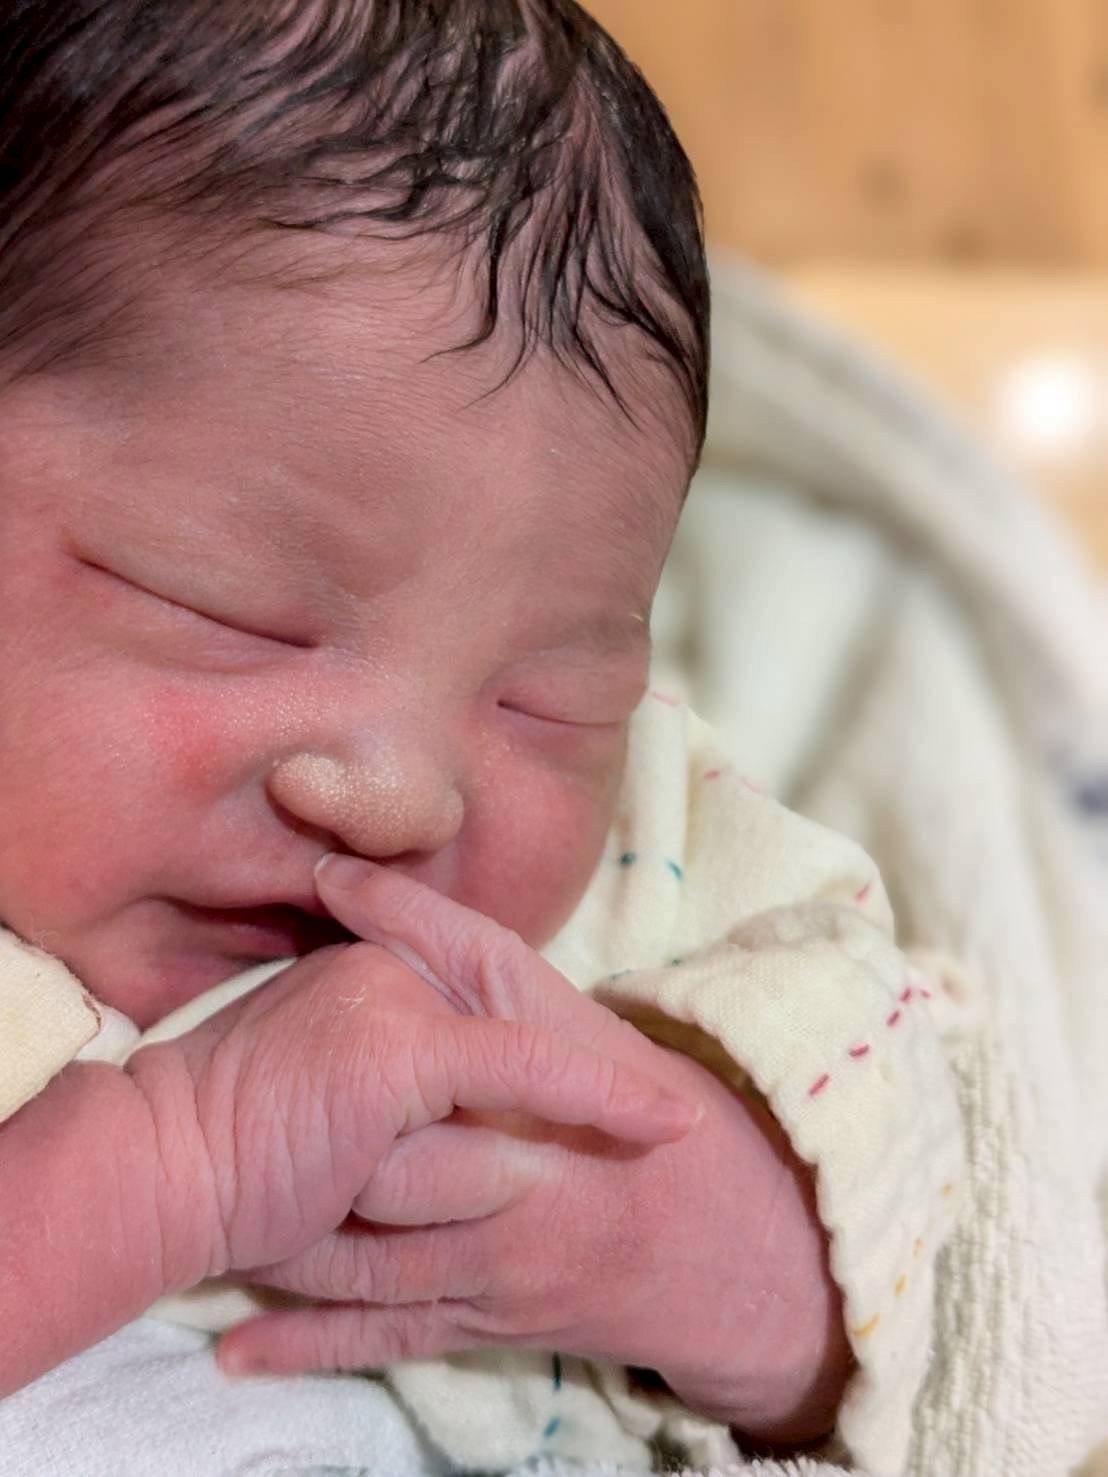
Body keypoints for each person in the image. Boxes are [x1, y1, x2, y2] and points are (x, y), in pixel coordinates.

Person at [0, 2, 963, 1471]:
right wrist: (171, 1163)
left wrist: (742, 1265)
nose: (396, 795)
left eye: (550, 699)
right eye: (230, 610)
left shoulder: (664, 886)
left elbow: (962, 1259)